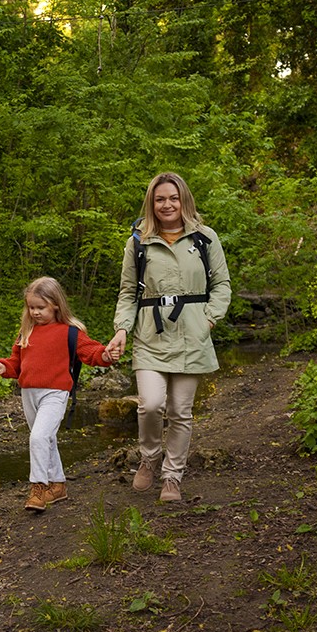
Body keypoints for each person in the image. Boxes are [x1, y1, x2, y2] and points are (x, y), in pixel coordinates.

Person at [106, 172, 231, 503]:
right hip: (151, 335)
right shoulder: (138, 242)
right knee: (150, 405)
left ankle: (172, 477)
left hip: (193, 335)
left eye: (173, 198)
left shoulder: (205, 238)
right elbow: (128, 292)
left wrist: (209, 320)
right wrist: (122, 329)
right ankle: (149, 458)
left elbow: (221, 285)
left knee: (180, 411)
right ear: (151, 202)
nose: (167, 204)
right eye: (160, 199)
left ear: (184, 200)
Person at [0, 276, 113, 511]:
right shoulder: (26, 332)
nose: (35, 312)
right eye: (31, 307)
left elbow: (92, 352)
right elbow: (16, 363)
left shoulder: (70, 333)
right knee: (46, 438)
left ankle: (38, 488)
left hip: (55, 393)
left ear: (55, 304)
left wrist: (106, 355)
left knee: (38, 437)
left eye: (40, 307)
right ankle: (58, 486)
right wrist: (5, 367)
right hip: (28, 392)